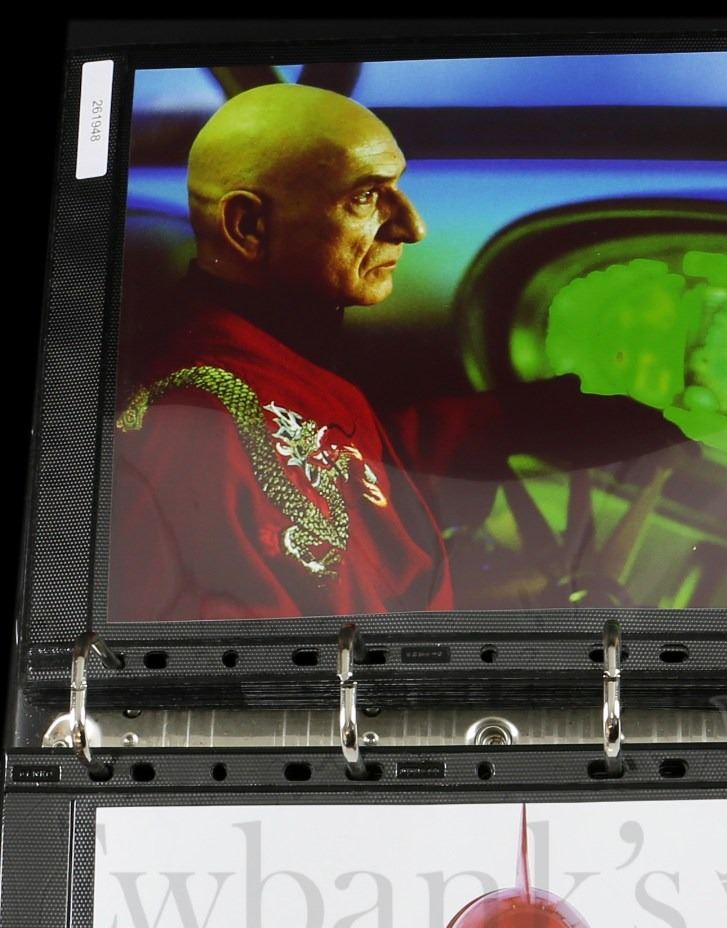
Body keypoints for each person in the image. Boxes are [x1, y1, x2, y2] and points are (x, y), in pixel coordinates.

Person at [109, 82, 686, 621]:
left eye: (397, 189)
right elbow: (342, 650)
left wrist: (512, 421)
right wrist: (578, 611)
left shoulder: (257, 360)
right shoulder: (208, 424)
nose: (412, 227)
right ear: (248, 225)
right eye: (365, 197)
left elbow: (349, 457)